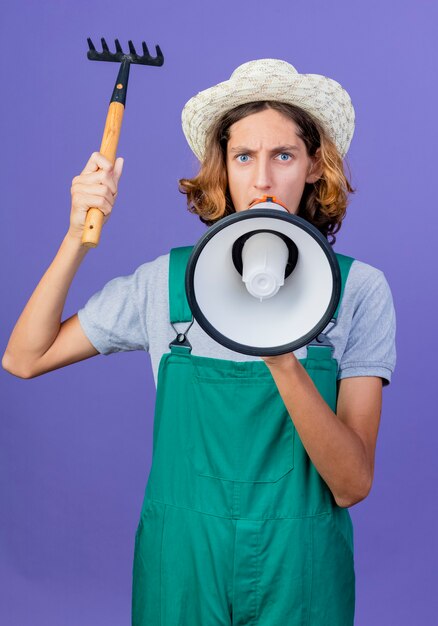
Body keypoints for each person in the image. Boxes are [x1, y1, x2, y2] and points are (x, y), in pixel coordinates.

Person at [2, 59, 396, 625]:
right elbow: (23, 356)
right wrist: (75, 237)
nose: (262, 179)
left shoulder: (359, 290)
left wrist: (280, 353)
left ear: (313, 166)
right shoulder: (165, 285)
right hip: (182, 566)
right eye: (244, 157)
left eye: (282, 155)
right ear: (224, 170)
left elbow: (352, 484)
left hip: (300, 569)